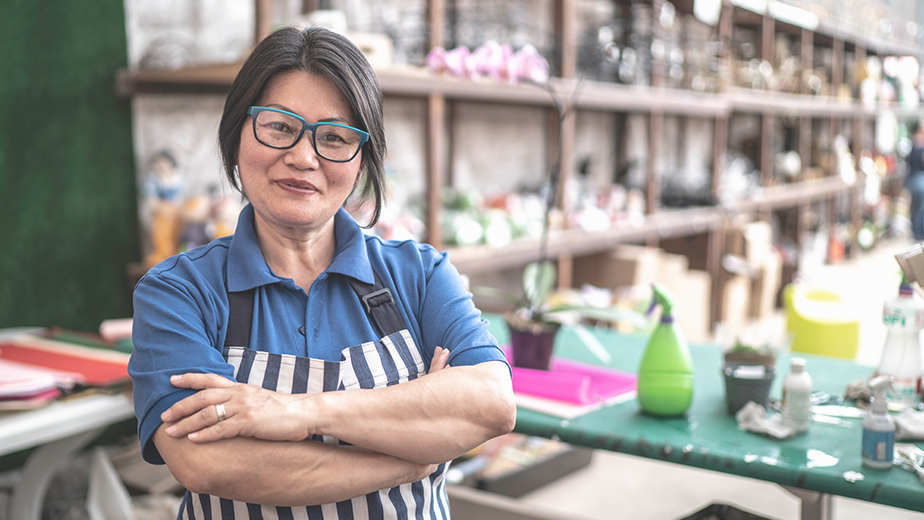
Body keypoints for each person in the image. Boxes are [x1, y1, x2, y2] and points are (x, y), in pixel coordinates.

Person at [128, 26, 517, 519]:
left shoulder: (419, 274)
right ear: (237, 133)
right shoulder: (178, 292)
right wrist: (413, 457)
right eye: (279, 127)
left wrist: (292, 412)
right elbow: (208, 461)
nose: (303, 157)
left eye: (334, 137)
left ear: (362, 162)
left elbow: (491, 403)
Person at [905, 119, 924, 240]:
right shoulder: (920, 143)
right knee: (920, 207)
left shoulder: (912, 142)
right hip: (919, 181)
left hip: (911, 180)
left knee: (915, 206)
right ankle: (919, 232)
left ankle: (915, 231)